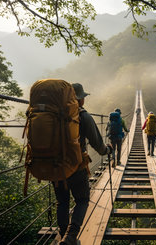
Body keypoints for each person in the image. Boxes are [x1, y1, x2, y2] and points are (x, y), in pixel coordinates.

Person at [56, 83, 113, 245]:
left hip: (55, 166)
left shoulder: (54, 114)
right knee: (82, 200)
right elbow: (98, 144)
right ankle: (70, 236)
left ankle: (63, 235)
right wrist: (107, 150)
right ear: (80, 100)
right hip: (76, 166)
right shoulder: (83, 116)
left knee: (62, 201)